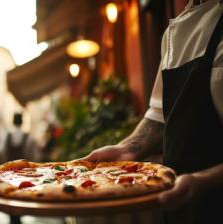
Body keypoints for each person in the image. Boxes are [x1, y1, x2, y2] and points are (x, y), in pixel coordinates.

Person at [80, 0, 223, 223]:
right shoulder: (172, 35)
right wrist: (124, 149)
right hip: (181, 205)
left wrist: (205, 180)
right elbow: (158, 116)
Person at [3, 113, 37, 224]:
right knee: (20, 198)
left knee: (9, 197)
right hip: (23, 175)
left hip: (8, 174)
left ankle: (13, 219)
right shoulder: (28, 137)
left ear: (13, 121)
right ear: (22, 122)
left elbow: (2, 153)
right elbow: (32, 157)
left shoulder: (7, 136)